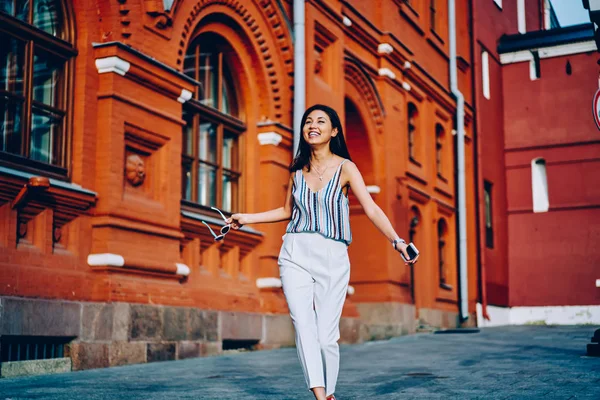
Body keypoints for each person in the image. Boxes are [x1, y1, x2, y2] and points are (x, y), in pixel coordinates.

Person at [227, 104, 419, 400]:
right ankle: (321, 396)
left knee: (327, 336)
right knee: (303, 325)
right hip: (295, 252)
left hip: (332, 256)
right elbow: (286, 211)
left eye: (320, 121)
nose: (312, 125)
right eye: (308, 121)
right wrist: (246, 218)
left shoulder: (346, 168)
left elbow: (371, 208)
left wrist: (397, 241)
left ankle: (330, 391)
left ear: (333, 131)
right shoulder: (297, 170)